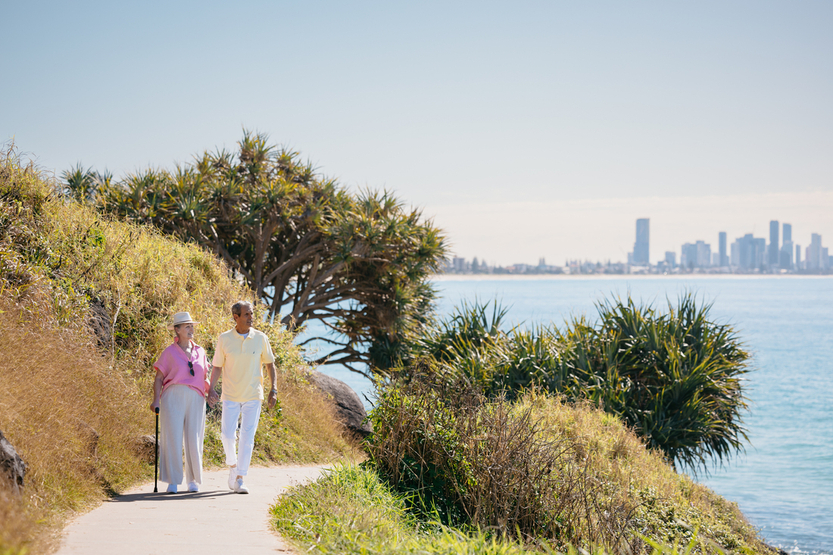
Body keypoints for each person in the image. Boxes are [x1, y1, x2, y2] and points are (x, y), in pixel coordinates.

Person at [207, 301, 277, 494]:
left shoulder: (261, 338)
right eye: (246, 314)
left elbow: (270, 364)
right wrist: (211, 388)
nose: (251, 317)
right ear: (236, 317)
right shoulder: (225, 339)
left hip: (253, 395)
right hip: (230, 395)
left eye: (251, 313)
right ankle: (232, 466)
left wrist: (274, 389)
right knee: (227, 435)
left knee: (247, 437)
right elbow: (218, 366)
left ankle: (240, 478)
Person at [150, 312, 210, 494]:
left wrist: (211, 390)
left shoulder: (200, 351)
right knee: (172, 437)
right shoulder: (169, 352)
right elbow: (159, 378)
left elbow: (205, 376)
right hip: (173, 396)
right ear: (177, 330)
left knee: (194, 438)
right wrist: (155, 400)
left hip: (197, 398)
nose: (191, 329)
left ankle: (193, 481)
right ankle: (173, 481)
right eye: (187, 326)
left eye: (192, 326)